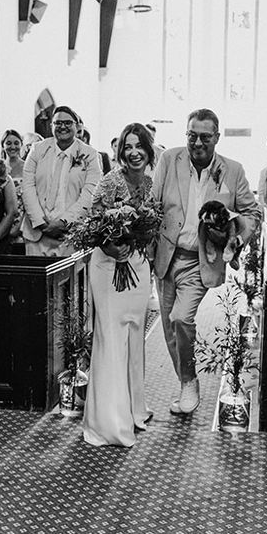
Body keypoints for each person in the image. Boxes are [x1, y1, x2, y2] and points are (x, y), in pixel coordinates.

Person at [152, 108, 261, 415]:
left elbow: (252, 214)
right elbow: (154, 204)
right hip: (166, 256)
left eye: (204, 137)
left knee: (181, 318)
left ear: (217, 137)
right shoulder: (169, 160)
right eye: (191, 136)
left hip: (202, 257)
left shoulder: (233, 170)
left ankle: (189, 382)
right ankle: (185, 379)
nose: (197, 143)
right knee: (169, 328)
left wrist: (236, 240)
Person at [83, 123, 157, 447]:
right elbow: (91, 225)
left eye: (139, 145)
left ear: (149, 149)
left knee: (135, 334)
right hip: (107, 264)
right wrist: (110, 245)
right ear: (120, 151)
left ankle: (134, 409)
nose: (133, 152)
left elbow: (153, 227)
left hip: (138, 266)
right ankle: (109, 423)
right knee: (111, 338)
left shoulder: (152, 183)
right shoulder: (110, 180)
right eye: (128, 146)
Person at [21, 106, 101, 257]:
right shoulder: (37, 150)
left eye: (68, 123)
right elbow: (27, 187)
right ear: (51, 126)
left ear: (77, 126)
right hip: (37, 232)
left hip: (71, 235)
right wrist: (40, 222)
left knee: (68, 280)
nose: (62, 126)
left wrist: (64, 222)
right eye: (58, 123)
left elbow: (90, 194)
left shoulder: (90, 155)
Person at [1, 129, 26, 245]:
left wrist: (20, 225)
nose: (13, 147)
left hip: (23, 220)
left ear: (21, 144)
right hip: (2, 220)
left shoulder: (28, 167)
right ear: (3, 145)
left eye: (16, 143)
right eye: (8, 143)